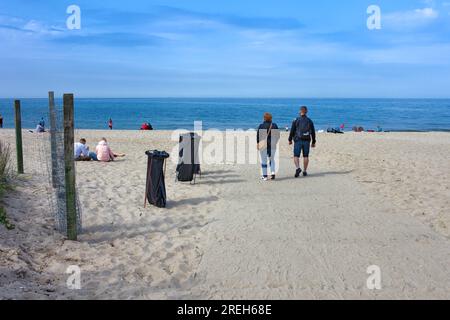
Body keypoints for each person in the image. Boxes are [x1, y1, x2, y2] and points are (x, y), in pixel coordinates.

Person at [288, 106, 316, 178]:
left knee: (296, 155)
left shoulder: (296, 120)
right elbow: (313, 132)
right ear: (306, 111)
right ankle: (304, 171)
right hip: (307, 140)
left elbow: (292, 130)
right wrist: (313, 141)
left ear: (300, 111)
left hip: (298, 140)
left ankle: (298, 168)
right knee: (306, 156)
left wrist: (290, 139)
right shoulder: (309, 121)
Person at [257, 112, 280, 181]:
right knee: (271, 159)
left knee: (264, 161)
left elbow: (258, 137)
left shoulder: (261, 126)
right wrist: (275, 142)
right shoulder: (274, 125)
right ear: (271, 118)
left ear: (264, 118)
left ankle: (265, 176)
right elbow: (278, 136)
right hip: (272, 144)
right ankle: (272, 173)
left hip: (263, 145)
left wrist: (258, 143)